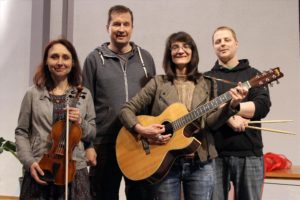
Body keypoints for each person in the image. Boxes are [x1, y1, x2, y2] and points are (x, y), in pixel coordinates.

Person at [119, 31, 248, 200]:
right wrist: (141, 130)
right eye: (175, 47)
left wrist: (232, 105)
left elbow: (211, 123)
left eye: (186, 46)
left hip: (200, 162)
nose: (181, 50)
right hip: (165, 164)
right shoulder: (158, 82)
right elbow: (126, 110)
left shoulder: (208, 83)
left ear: (193, 52)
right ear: (169, 53)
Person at [82, 5, 156, 200]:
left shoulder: (145, 59)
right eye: (116, 24)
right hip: (104, 143)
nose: (121, 28)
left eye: (126, 24)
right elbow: (84, 106)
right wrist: (88, 144)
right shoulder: (94, 60)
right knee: (102, 196)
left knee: (141, 196)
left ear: (132, 27)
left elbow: (152, 102)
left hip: (138, 140)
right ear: (108, 27)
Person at [15, 38, 96, 200]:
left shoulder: (84, 94)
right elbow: (21, 132)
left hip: (74, 169)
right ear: (46, 61)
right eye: (54, 57)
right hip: (40, 167)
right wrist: (30, 162)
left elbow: (92, 133)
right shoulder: (32, 94)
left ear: (73, 63)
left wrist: (81, 122)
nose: (60, 62)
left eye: (65, 57)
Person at [205, 26, 271, 200]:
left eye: (227, 40)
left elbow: (262, 106)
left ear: (236, 43)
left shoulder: (254, 75)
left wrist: (235, 109)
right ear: (213, 46)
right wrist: (229, 117)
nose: (222, 44)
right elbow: (202, 107)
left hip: (249, 153)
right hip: (214, 155)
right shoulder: (205, 79)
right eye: (217, 41)